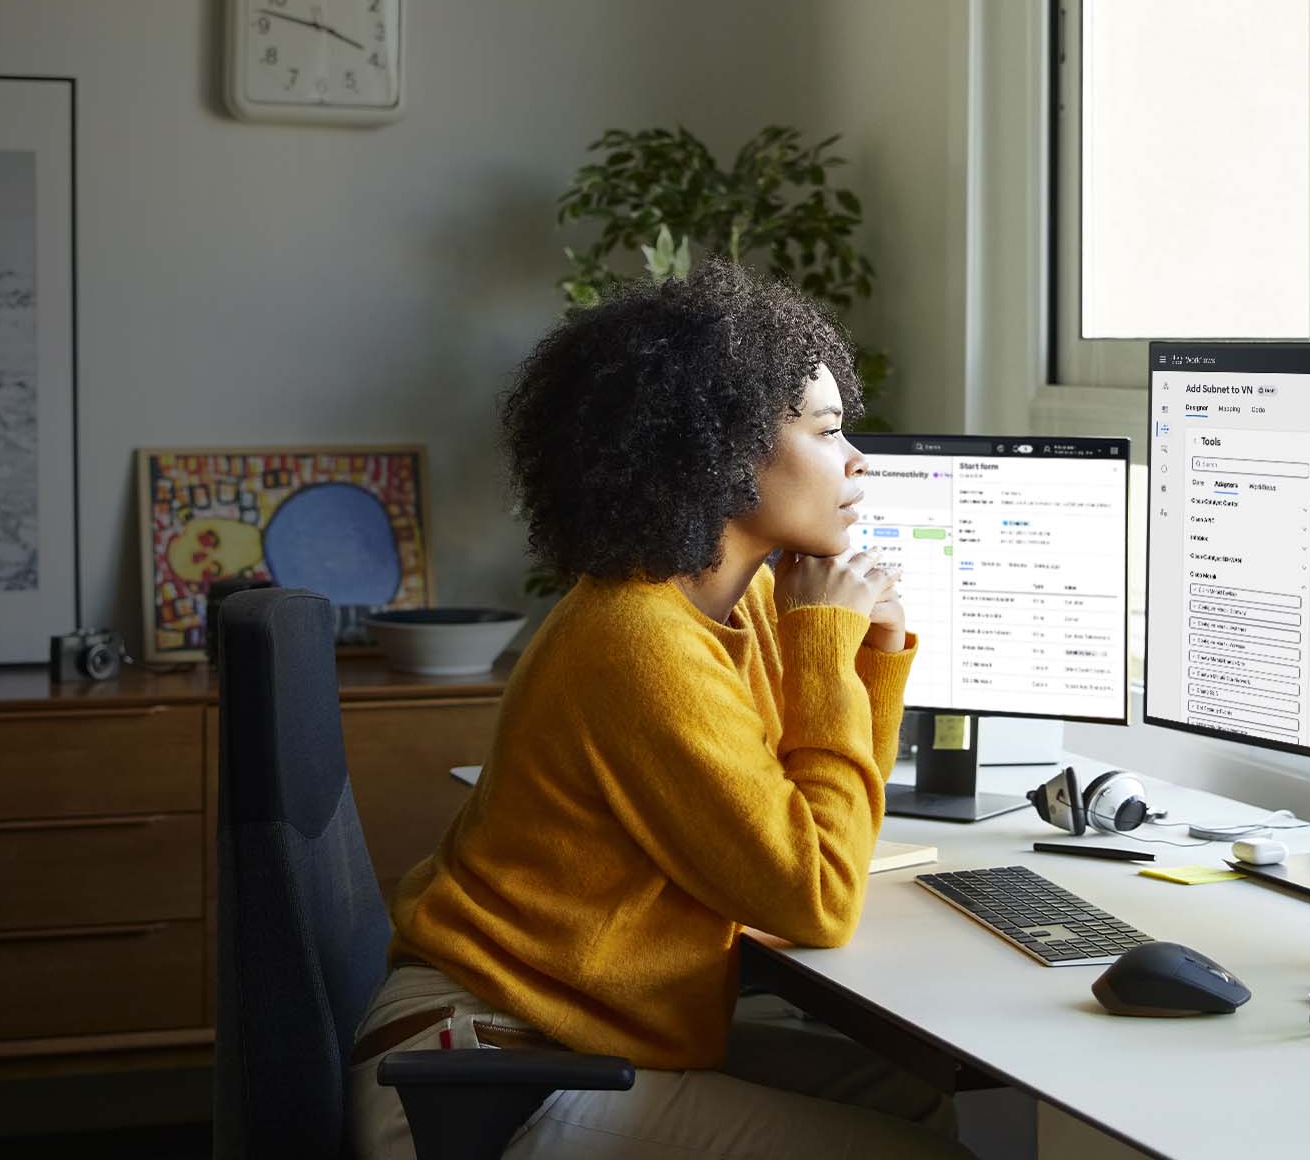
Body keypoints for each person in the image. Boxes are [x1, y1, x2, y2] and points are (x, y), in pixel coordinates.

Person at [348, 265, 970, 1159]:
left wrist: (868, 657)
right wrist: (832, 647)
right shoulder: (639, 640)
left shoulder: (735, 604)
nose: (858, 460)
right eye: (829, 431)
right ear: (718, 448)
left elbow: (830, 829)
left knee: (913, 1097)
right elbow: (818, 898)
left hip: (575, 1030)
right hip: (480, 1076)